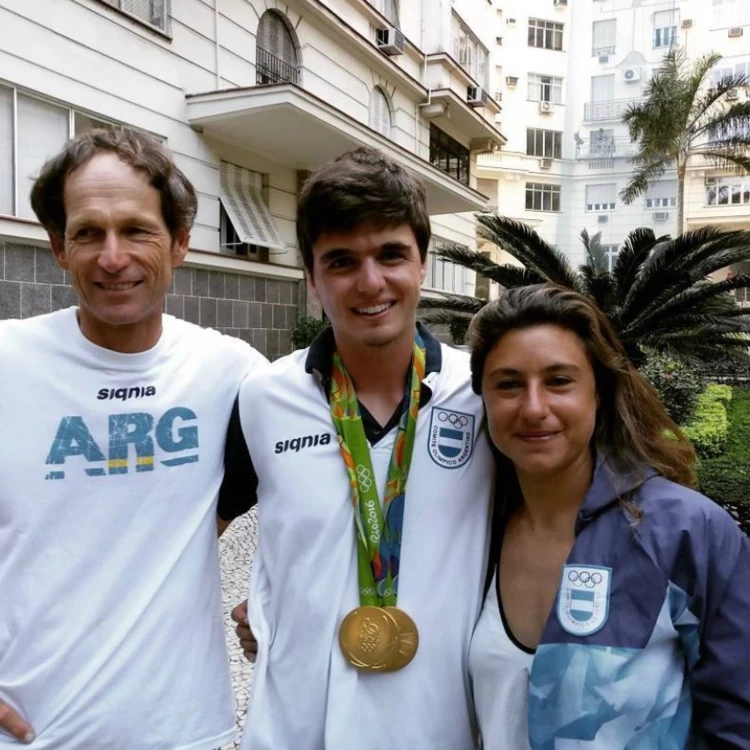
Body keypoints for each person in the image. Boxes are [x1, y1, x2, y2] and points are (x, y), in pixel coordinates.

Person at [219, 148, 495, 749]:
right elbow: (182, 538)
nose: (371, 282)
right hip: (296, 725)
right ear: (312, 280)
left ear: (422, 263)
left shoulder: (482, 395)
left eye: (391, 254)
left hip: (439, 725)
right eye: (342, 261)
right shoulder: (263, 398)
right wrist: (265, 604)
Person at [0, 128, 266, 749]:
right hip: (30, 734)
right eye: (87, 232)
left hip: (185, 732)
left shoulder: (234, 372)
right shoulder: (5, 361)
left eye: (136, 230)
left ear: (179, 243)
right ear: (58, 247)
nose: (112, 257)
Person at [466, 283, 750, 748]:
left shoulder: (685, 532)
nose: (534, 408)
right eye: (509, 384)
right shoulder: (474, 532)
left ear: (599, 392)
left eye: (559, 381)